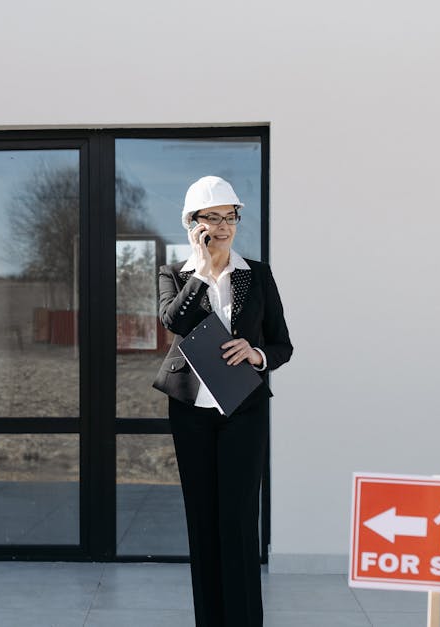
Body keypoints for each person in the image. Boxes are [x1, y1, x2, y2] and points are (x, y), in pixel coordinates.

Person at [156, 176, 293, 627]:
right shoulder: (175, 274)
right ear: (192, 223)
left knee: (238, 521)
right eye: (212, 217)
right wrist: (201, 272)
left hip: (244, 411)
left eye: (230, 216)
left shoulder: (258, 274)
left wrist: (256, 354)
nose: (223, 226)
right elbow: (173, 321)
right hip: (191, 413)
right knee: (203, 521)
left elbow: (282, 345)